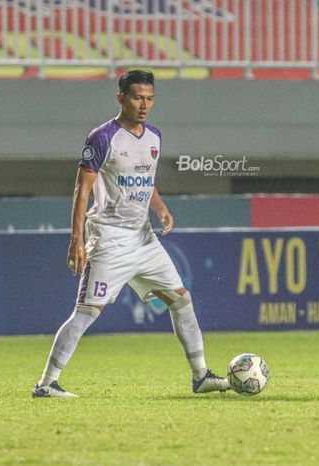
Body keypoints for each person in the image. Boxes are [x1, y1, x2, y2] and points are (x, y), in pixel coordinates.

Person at [32, 70, 230, 398]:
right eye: (138, 97)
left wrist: (161, 209)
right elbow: (82, 189)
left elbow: (144, 181)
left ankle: (201, 375)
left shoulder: (154, 137)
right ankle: (46, 384)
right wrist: (77, 238)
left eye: (150, 98)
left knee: (181, 300)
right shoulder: (102, 137)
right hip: (110, 240)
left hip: (144, 238)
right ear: (121, 97)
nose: (144, 105)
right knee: (86, 312)